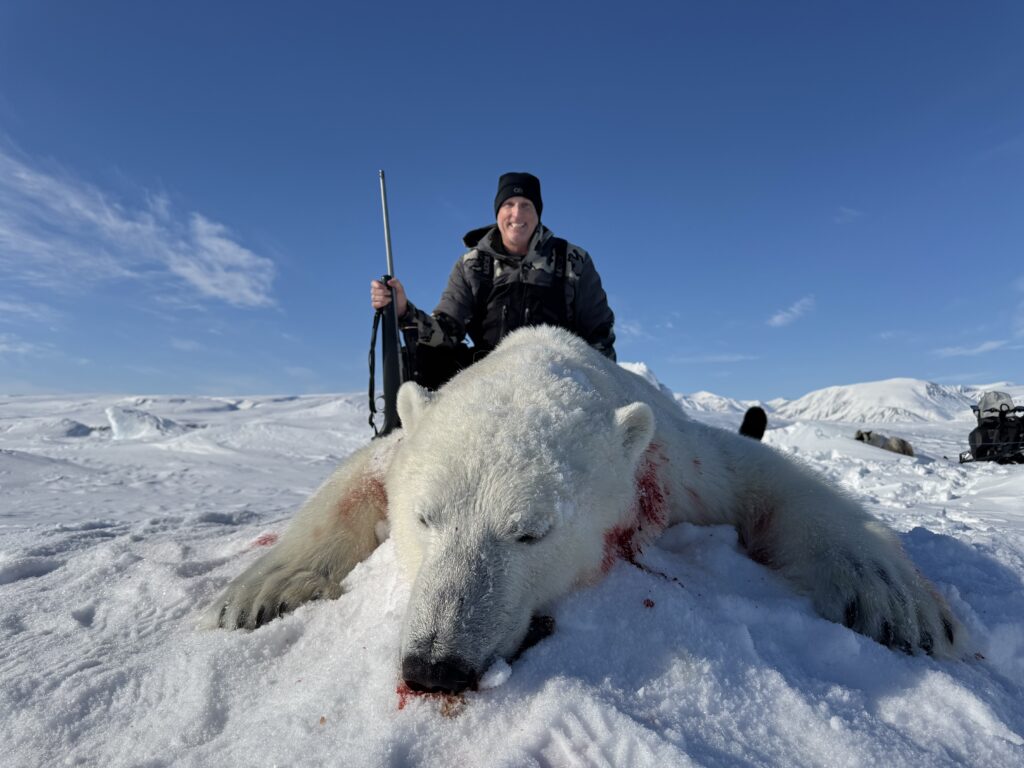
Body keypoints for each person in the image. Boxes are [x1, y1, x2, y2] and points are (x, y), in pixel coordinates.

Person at [370, 172, 616, 389]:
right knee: (426, 356)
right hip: (488, 382)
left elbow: (599, 335)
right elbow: (446, 332)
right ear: (498, 211)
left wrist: (600, 393)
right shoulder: (472, 265)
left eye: (526, 205)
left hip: (558, 381)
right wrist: (403, 310)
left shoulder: (574, 260)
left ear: (538, 213)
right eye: (508, 204)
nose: (517, 213)